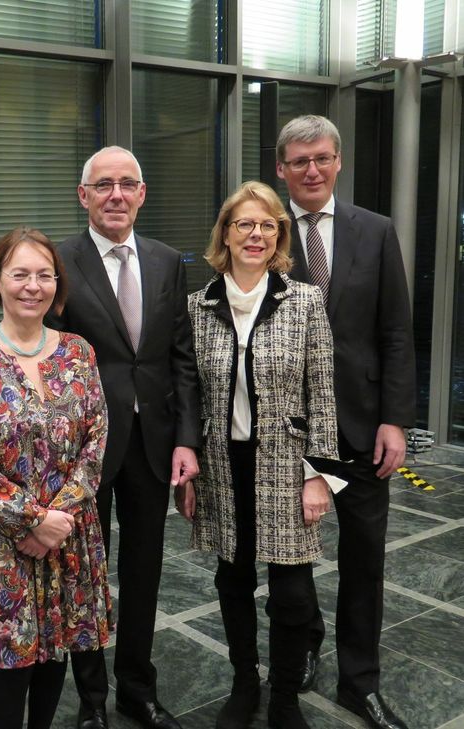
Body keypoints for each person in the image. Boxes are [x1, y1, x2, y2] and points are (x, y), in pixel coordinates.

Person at [176, 181, 340, 729]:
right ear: (225, 233)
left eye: (268, 225)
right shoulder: (199, 307)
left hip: (287, 469)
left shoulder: (304, 301)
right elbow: (189, 394)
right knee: (233, 580)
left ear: (279, 235)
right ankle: (245, 683)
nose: (256, 234)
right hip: (223, 468)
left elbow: (323, 392)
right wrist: (189, 469)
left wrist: (320, 476)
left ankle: (286, 696)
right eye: (244, 224)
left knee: (292, 593)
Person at [47, 146, 200, 729]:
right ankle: (91, 701)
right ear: (83, 195)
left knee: (144, 571)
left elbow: (179, 359)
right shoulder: (59, 259)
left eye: (126, 184)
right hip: (83, 449)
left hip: (153, 443)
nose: (116, 195)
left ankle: (138, 688)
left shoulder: (166, 260)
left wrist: (187, 438)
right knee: (84, 576)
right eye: (103, 185)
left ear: (141, 193)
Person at [276, 115, 414, 729]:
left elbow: (395, 334)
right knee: (290, 560)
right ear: (281, 168)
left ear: (338, 163)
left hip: (362, 429)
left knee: (365, 559)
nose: (312, 170)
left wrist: (395, 420)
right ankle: (303, 640)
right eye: (299, 161)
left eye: (322, 159)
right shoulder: (261, 229)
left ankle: (360, 680)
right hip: (288, 430)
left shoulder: (376, 232)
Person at [0, 226, 111, 729]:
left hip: (68, 530)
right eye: (20, 274)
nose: (32, 286)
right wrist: (31, 522)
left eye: (44, 275)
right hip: (0, 538)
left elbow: (97, 436)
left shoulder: (79, 351)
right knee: (13, 658)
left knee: (56, 648)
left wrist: (59, 518)